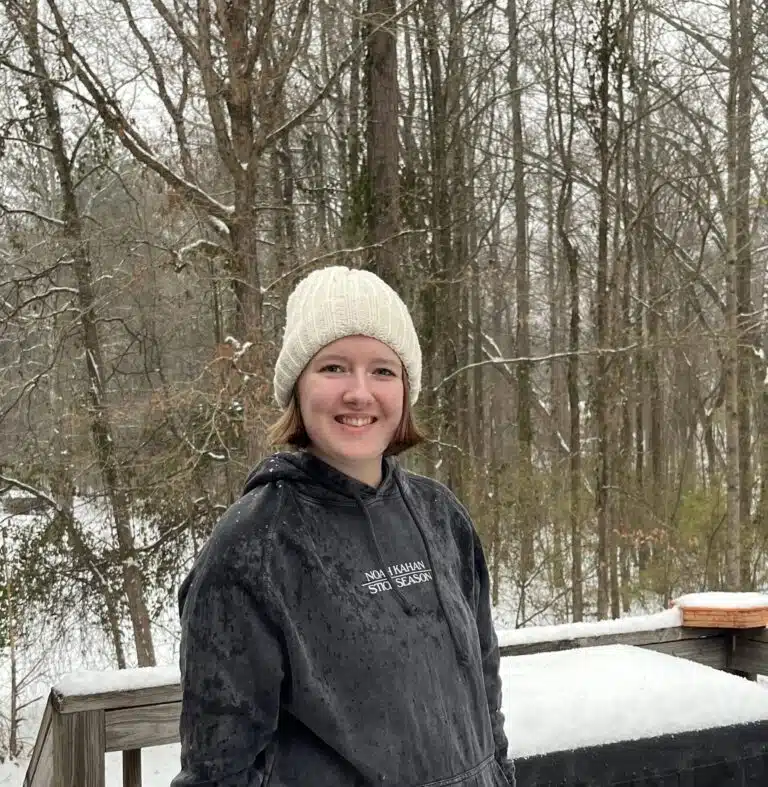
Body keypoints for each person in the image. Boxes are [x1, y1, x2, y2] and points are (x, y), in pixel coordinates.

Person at [172, 266, 516, 787]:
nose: (360, 393)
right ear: (297, 386)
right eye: (334, 367)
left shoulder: (441, 516)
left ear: (405, 390)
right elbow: (219, 769)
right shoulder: (255, 545)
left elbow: (484, 691)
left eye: (383, 370)